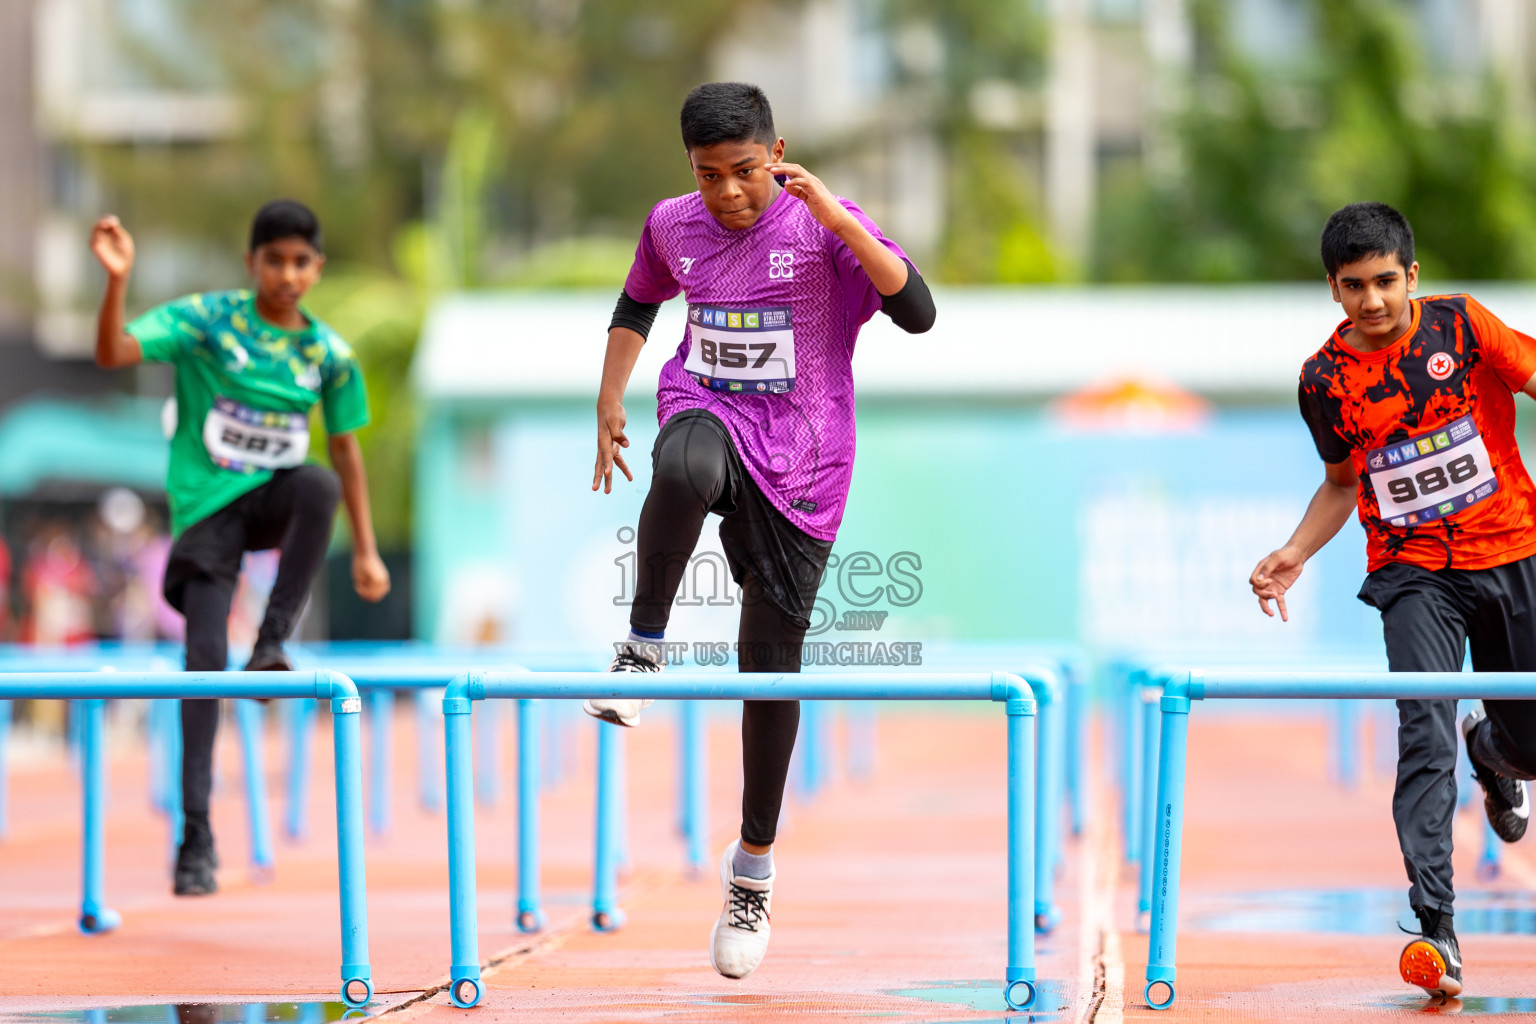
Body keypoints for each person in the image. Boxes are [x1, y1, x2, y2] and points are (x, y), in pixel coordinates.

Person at [588, 82, 934, 979]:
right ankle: (640, 649)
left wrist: (842, 223)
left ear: (779, 152)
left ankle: (752, 870)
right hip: (707, 408)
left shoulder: (826, 223)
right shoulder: (674, 223)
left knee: (767, 674)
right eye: (709, 176)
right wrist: (609, 393)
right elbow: (637, 305)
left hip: (807, 465)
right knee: (683, 463)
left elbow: (917, 310)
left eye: (746, 172)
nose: (729, 194)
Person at [1250, 202, 1536, 1000]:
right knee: (1423, 734)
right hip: (1413, 574)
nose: (1372, 301)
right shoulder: (1324, 379)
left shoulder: (1464, 327)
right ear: (1333, 290)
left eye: (1384, 282)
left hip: (1514, 549)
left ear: (1411, 276)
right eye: (1353, 286)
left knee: (1533, 746)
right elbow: (1343, 482)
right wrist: (1294, 553)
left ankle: (1497, 753)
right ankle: (1436, 928)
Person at [89, 199, 391, 896]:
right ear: (251, 262)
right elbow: (112, 352)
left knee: (316, 483)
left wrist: (368, 551)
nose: (287, 274)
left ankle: (272, 642)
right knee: (202, 665)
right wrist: (116, 281)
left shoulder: (327, 354)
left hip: (274, 502)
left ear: (317, 268)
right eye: (274, 260)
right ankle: (196, 835)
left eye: (300, 262)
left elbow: (346, 450)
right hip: (207, 517)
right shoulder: (206, 320)